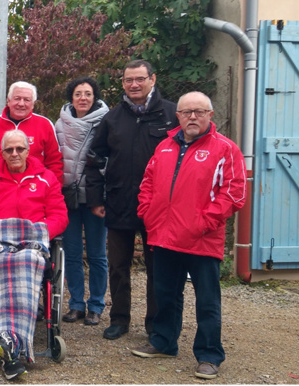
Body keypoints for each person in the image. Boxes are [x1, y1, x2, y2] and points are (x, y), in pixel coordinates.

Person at [131, 92, 246, 380]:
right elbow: (147, 183)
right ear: (178, 116)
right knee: (166, 294)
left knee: (207, 300)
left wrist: (204, 222)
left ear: (210, 114)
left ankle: (209, 355)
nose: (192, 117)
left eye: (198, 111)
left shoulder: (225, 149)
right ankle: (163, 342)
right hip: (164, 236)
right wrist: (148, 212)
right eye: (186, 112)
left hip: (201, 238)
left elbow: (234, 192)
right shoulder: (164, 147)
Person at [85, 59, 179, 340]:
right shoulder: (112, 118)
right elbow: (95, 160)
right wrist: (95, 199)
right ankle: (119, 319)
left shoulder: (172, 115)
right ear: (123, 83)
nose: (134, 85)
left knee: (157, 267)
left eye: (139, 79)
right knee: (118, 266)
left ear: (153, 79)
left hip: (160, 208)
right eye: (128, 80)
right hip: (119, 202)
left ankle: (155, 323)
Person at [0, 129, 68, 380]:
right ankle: (12, 344)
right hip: (0, 244)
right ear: (2, 153)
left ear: (28, 150)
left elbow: (60, 216)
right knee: (4, 260)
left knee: (25, 260)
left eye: (19, 149)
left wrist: (33, 231)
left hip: (33, 247)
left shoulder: (46, 178)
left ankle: (7, 339)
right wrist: (3, 231)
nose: (14, 153)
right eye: (9, 150)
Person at [55, 77, 110, 326]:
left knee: (98, 254)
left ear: (94, 96)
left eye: (88, 94)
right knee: (73, 253)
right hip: (68, 196)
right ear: (71, 97)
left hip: (96, 197)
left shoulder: (106, 123)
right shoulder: (60, 124)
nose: (83, 98)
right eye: (78, 94)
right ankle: (76, 303)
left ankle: (96, 305)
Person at [0, 81, 63, 183]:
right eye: (17, 99)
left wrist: (53, 189)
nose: (21, 104)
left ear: (33, 104)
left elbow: (55, 162)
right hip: (0, 187)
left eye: (26, 100)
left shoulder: (44, 124)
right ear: (8, 100)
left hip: (35, 188)